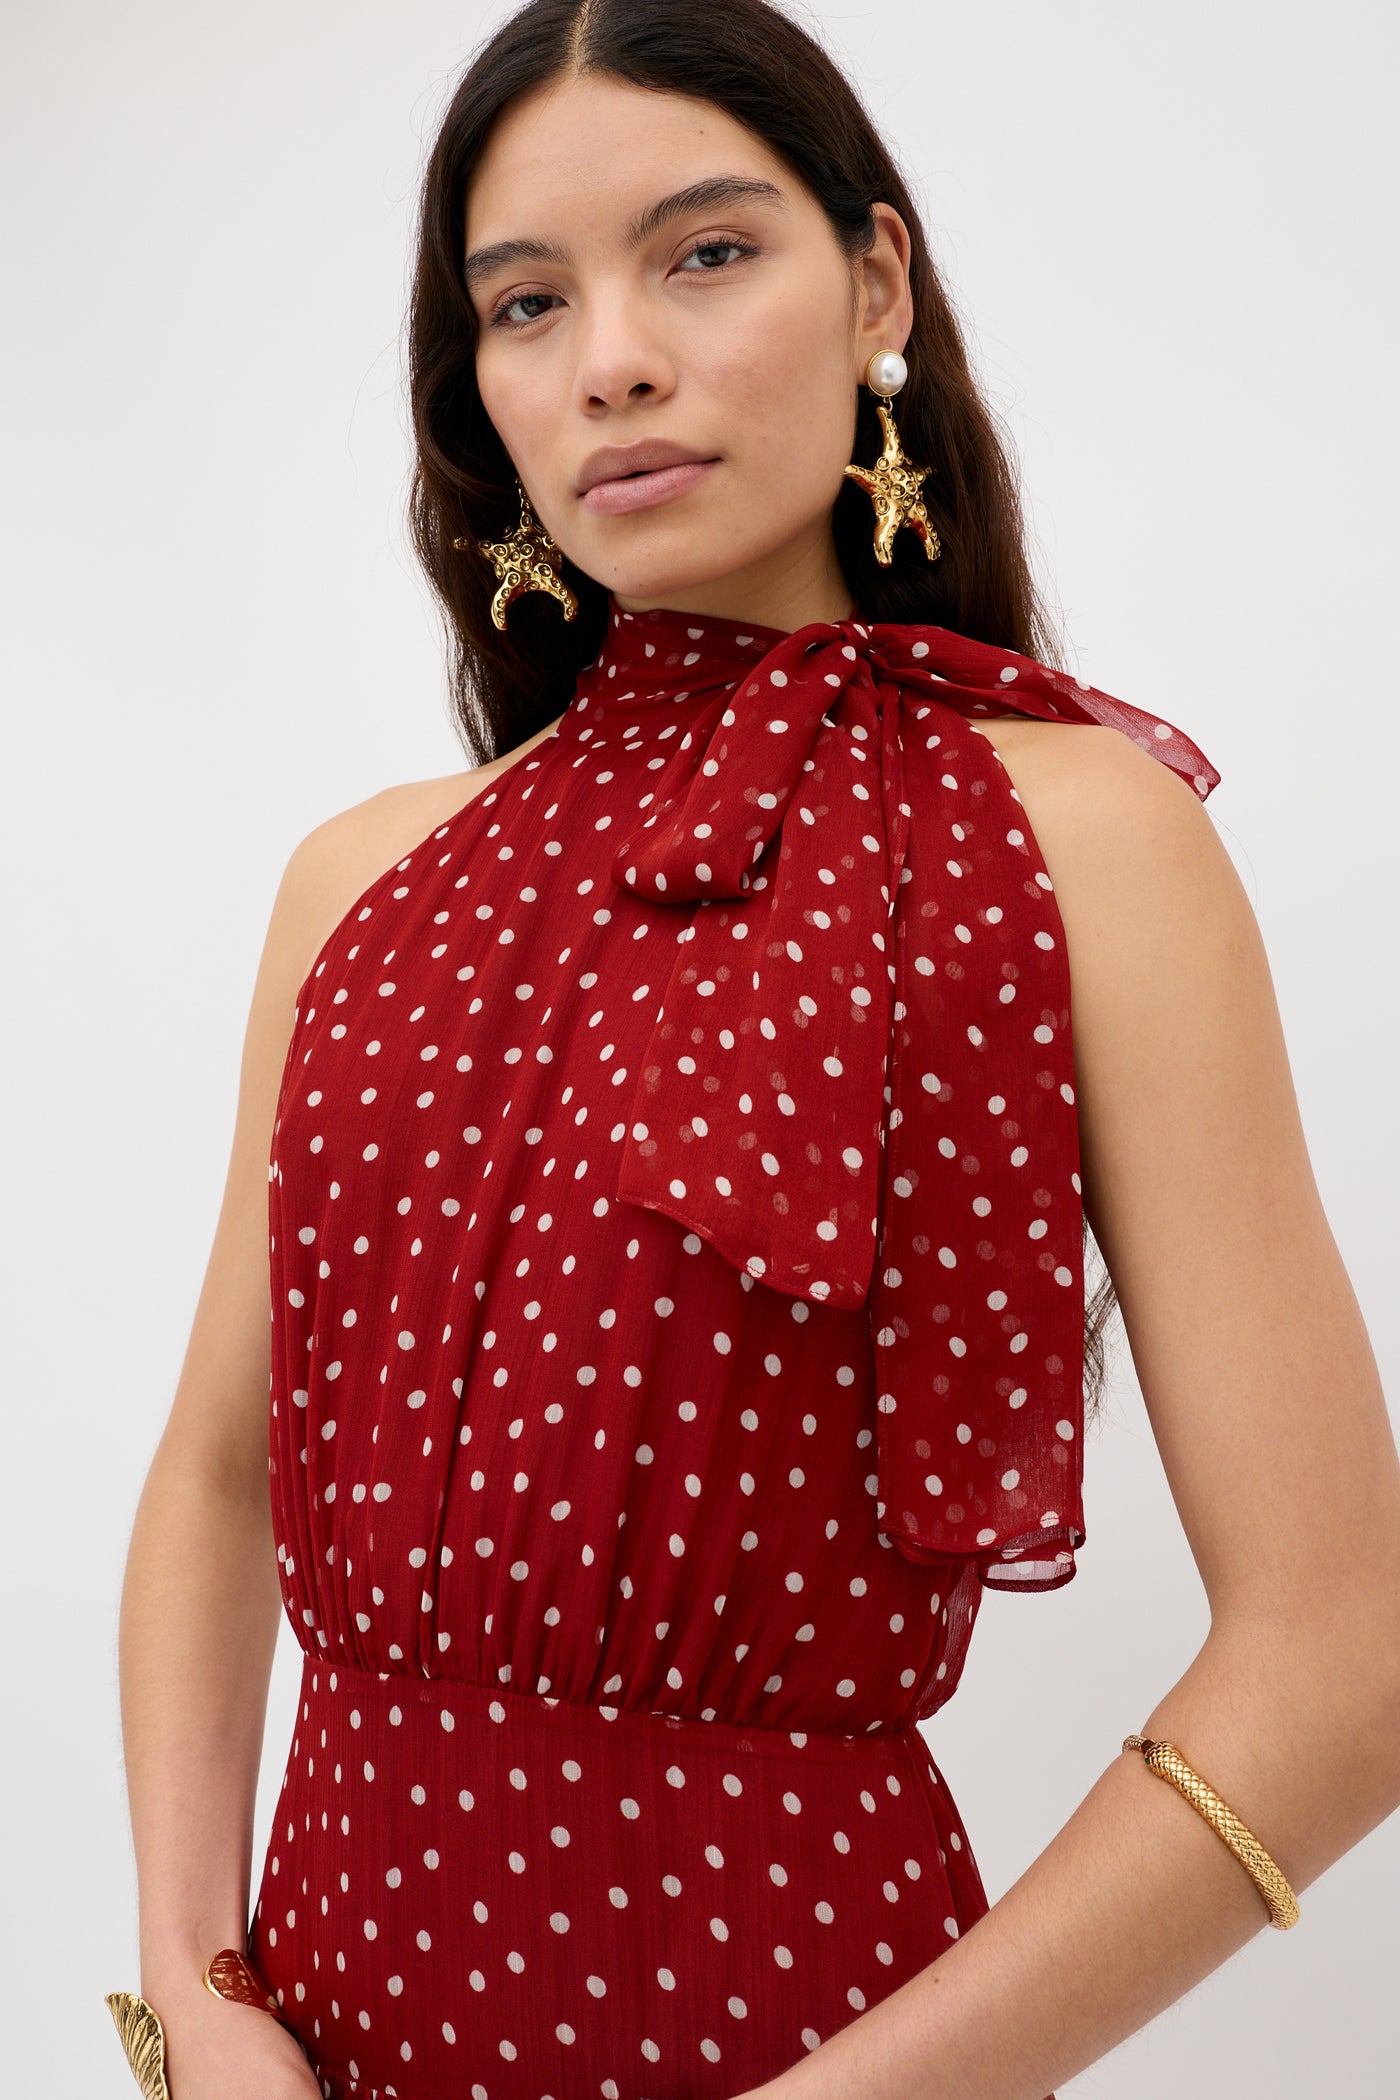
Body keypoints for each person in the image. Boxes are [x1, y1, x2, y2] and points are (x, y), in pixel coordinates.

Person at [106, 3, 1400, 2097]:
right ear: (482, 387)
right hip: (313, 2048)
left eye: (704, 252)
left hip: (796, 2036)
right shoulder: (355, 883)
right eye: (525, 301)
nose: (610, 353)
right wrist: (191, 1989)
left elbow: (1344, 1663)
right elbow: (216, 1473)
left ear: (875, 283)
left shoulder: (1079, 843)